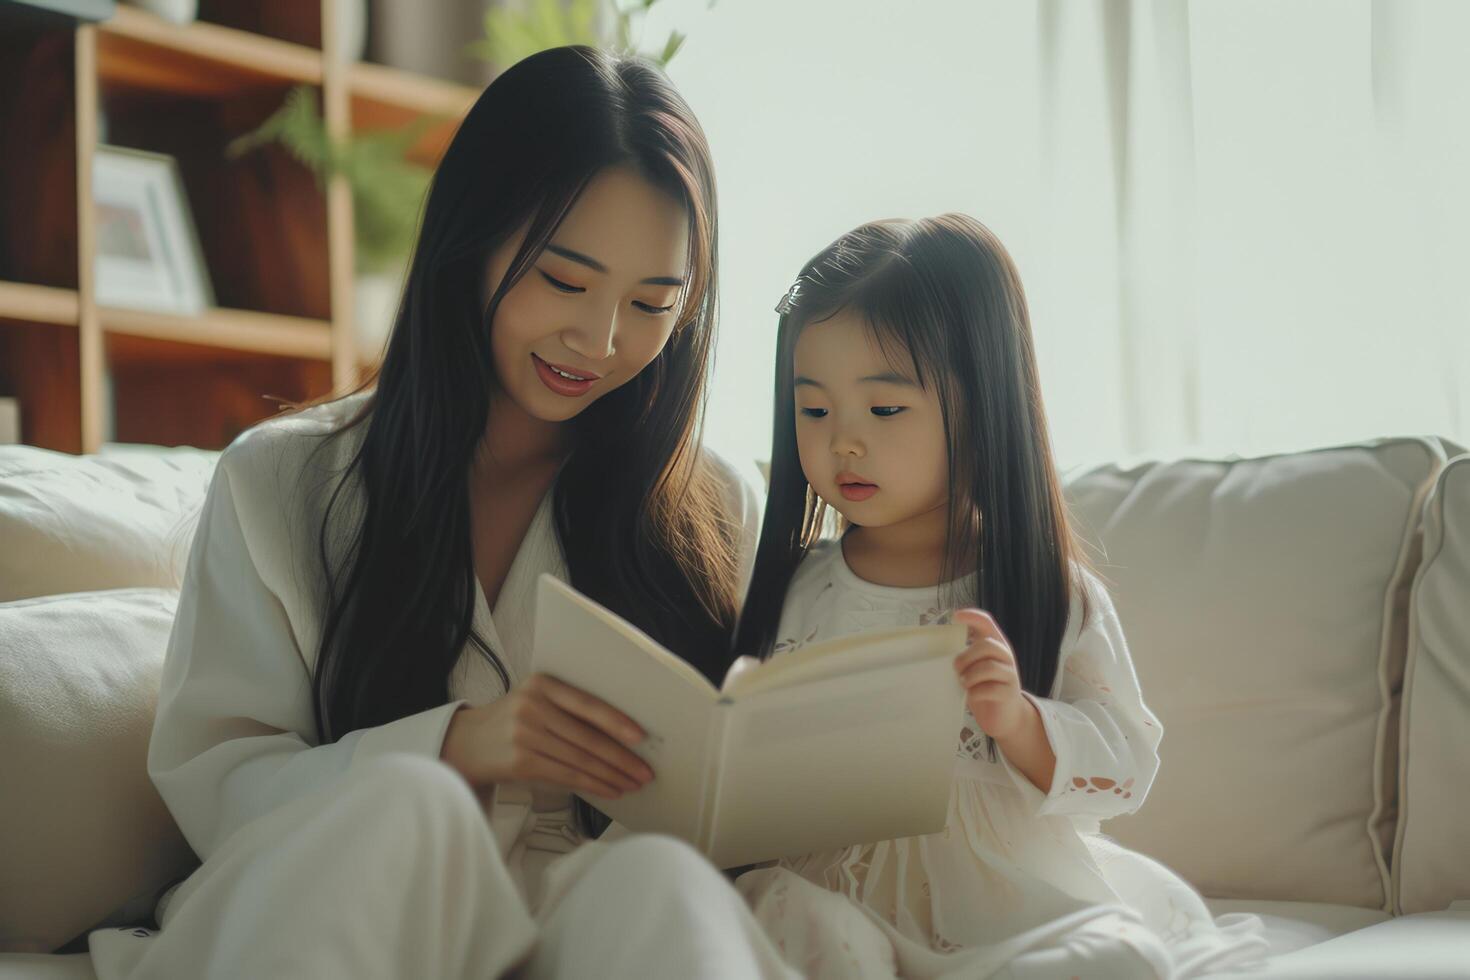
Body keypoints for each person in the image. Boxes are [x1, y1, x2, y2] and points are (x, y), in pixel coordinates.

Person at [89, 46, 795, 980]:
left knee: (662, 881)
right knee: (412, 808)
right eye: (565, 281)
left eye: (654, 302)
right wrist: (460, 744)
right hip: (339, 902)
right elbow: (216, 786)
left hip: (573, 920)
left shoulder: (715, 507)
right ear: (475, 240)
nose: (603, 340)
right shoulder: (283, 482)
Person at [732, 215, 1269, 979]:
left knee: (1121, 957)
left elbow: (1125, 766)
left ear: (984, 404)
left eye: (885, 410)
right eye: (814, 410)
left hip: (1001, 901)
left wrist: (1017, 722)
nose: (842, 441)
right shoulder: (798, 587)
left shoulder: (1047, 588)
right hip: (829, 889)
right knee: (810, 933)